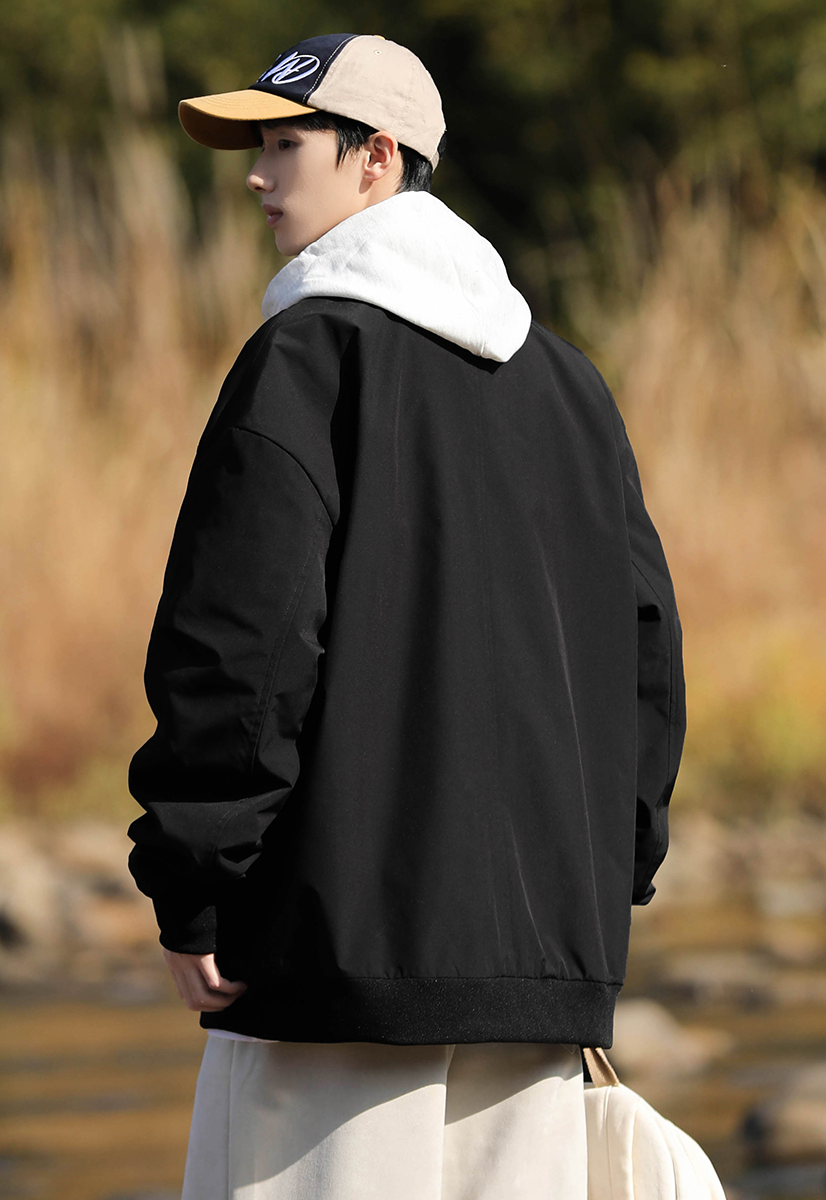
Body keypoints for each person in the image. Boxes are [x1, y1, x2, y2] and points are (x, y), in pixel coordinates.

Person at [126, 32, 685, 1200]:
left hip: (330, 974)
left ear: (376, 156)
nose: (256, 176)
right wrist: (600, 886)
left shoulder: (306, 355)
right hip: (541, 983)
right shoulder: (573, 386)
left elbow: (241, 647)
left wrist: (197, 881)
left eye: (286, 144)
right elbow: (645, 658)